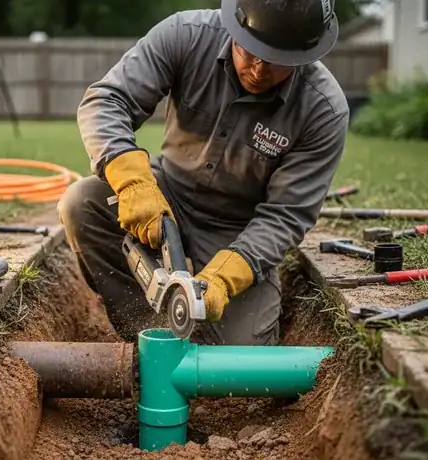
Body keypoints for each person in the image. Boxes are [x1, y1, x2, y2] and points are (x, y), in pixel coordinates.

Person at [57, 0, 349, 346]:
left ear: (303, 56)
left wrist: (226, 278)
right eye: (250, 52)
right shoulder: (186, 35)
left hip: (237, 229)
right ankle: (145, 332)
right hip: (167, 194)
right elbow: (106, 101)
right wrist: (133, 182)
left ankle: (200, 324)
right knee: (82, 203)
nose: (257, 70)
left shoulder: (323, 110)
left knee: (244, 356)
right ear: (235, 27)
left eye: (275, 63)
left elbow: (285, 217)